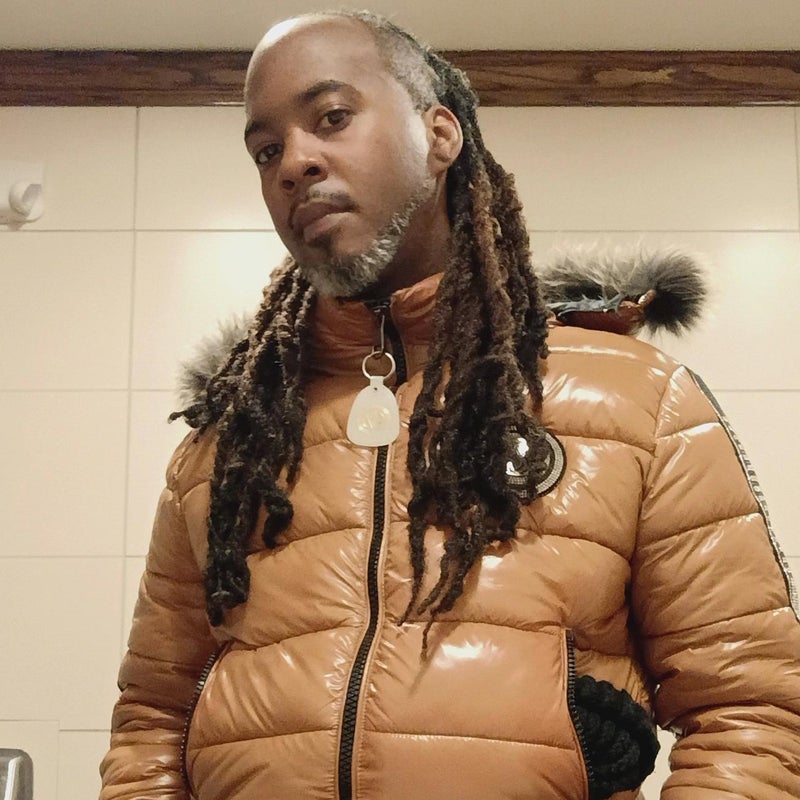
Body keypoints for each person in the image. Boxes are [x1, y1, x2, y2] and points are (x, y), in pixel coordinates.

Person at [100, 10, 800, 800]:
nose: (294, 162)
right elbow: (151, 724)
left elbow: (753, 712)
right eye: (266, 150)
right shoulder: (228, 444)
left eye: (332, 117)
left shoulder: (640, 403)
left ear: (439, 135)